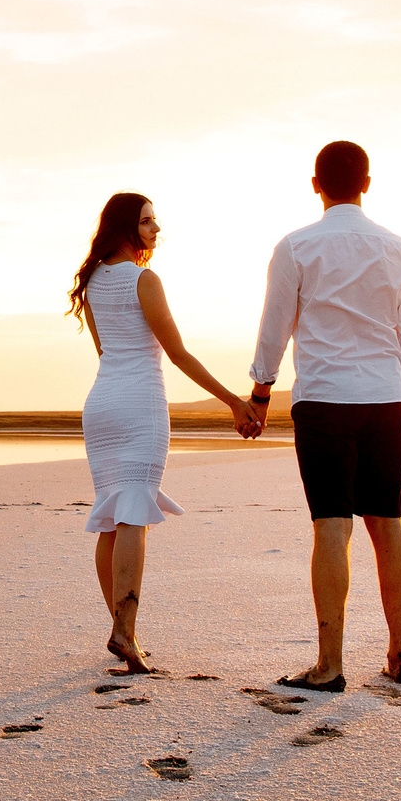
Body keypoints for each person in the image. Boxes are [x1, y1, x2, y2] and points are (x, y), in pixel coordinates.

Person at [246, 141, 401, 694]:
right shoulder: (398, 249)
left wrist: (260, 393)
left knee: (332, 525)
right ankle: (399, 655)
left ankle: (330, 664)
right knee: (387, 522)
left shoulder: (297, 246)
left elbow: (276, 323)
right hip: (385, 397)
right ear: (366, 182)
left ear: (315, 183)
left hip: (325, 399)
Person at [69, 192, 261, 675]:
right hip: (140, 405)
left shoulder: (91, 282)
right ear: (124, 228)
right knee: (133, 511)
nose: (156, 230)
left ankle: (122, 627)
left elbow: (105, 351)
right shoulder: (145, 280)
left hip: (102, 404)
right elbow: (176, 354)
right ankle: (124, 632)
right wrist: (235, 401)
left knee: (114, 513)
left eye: (155, 221)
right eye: (148, 222)